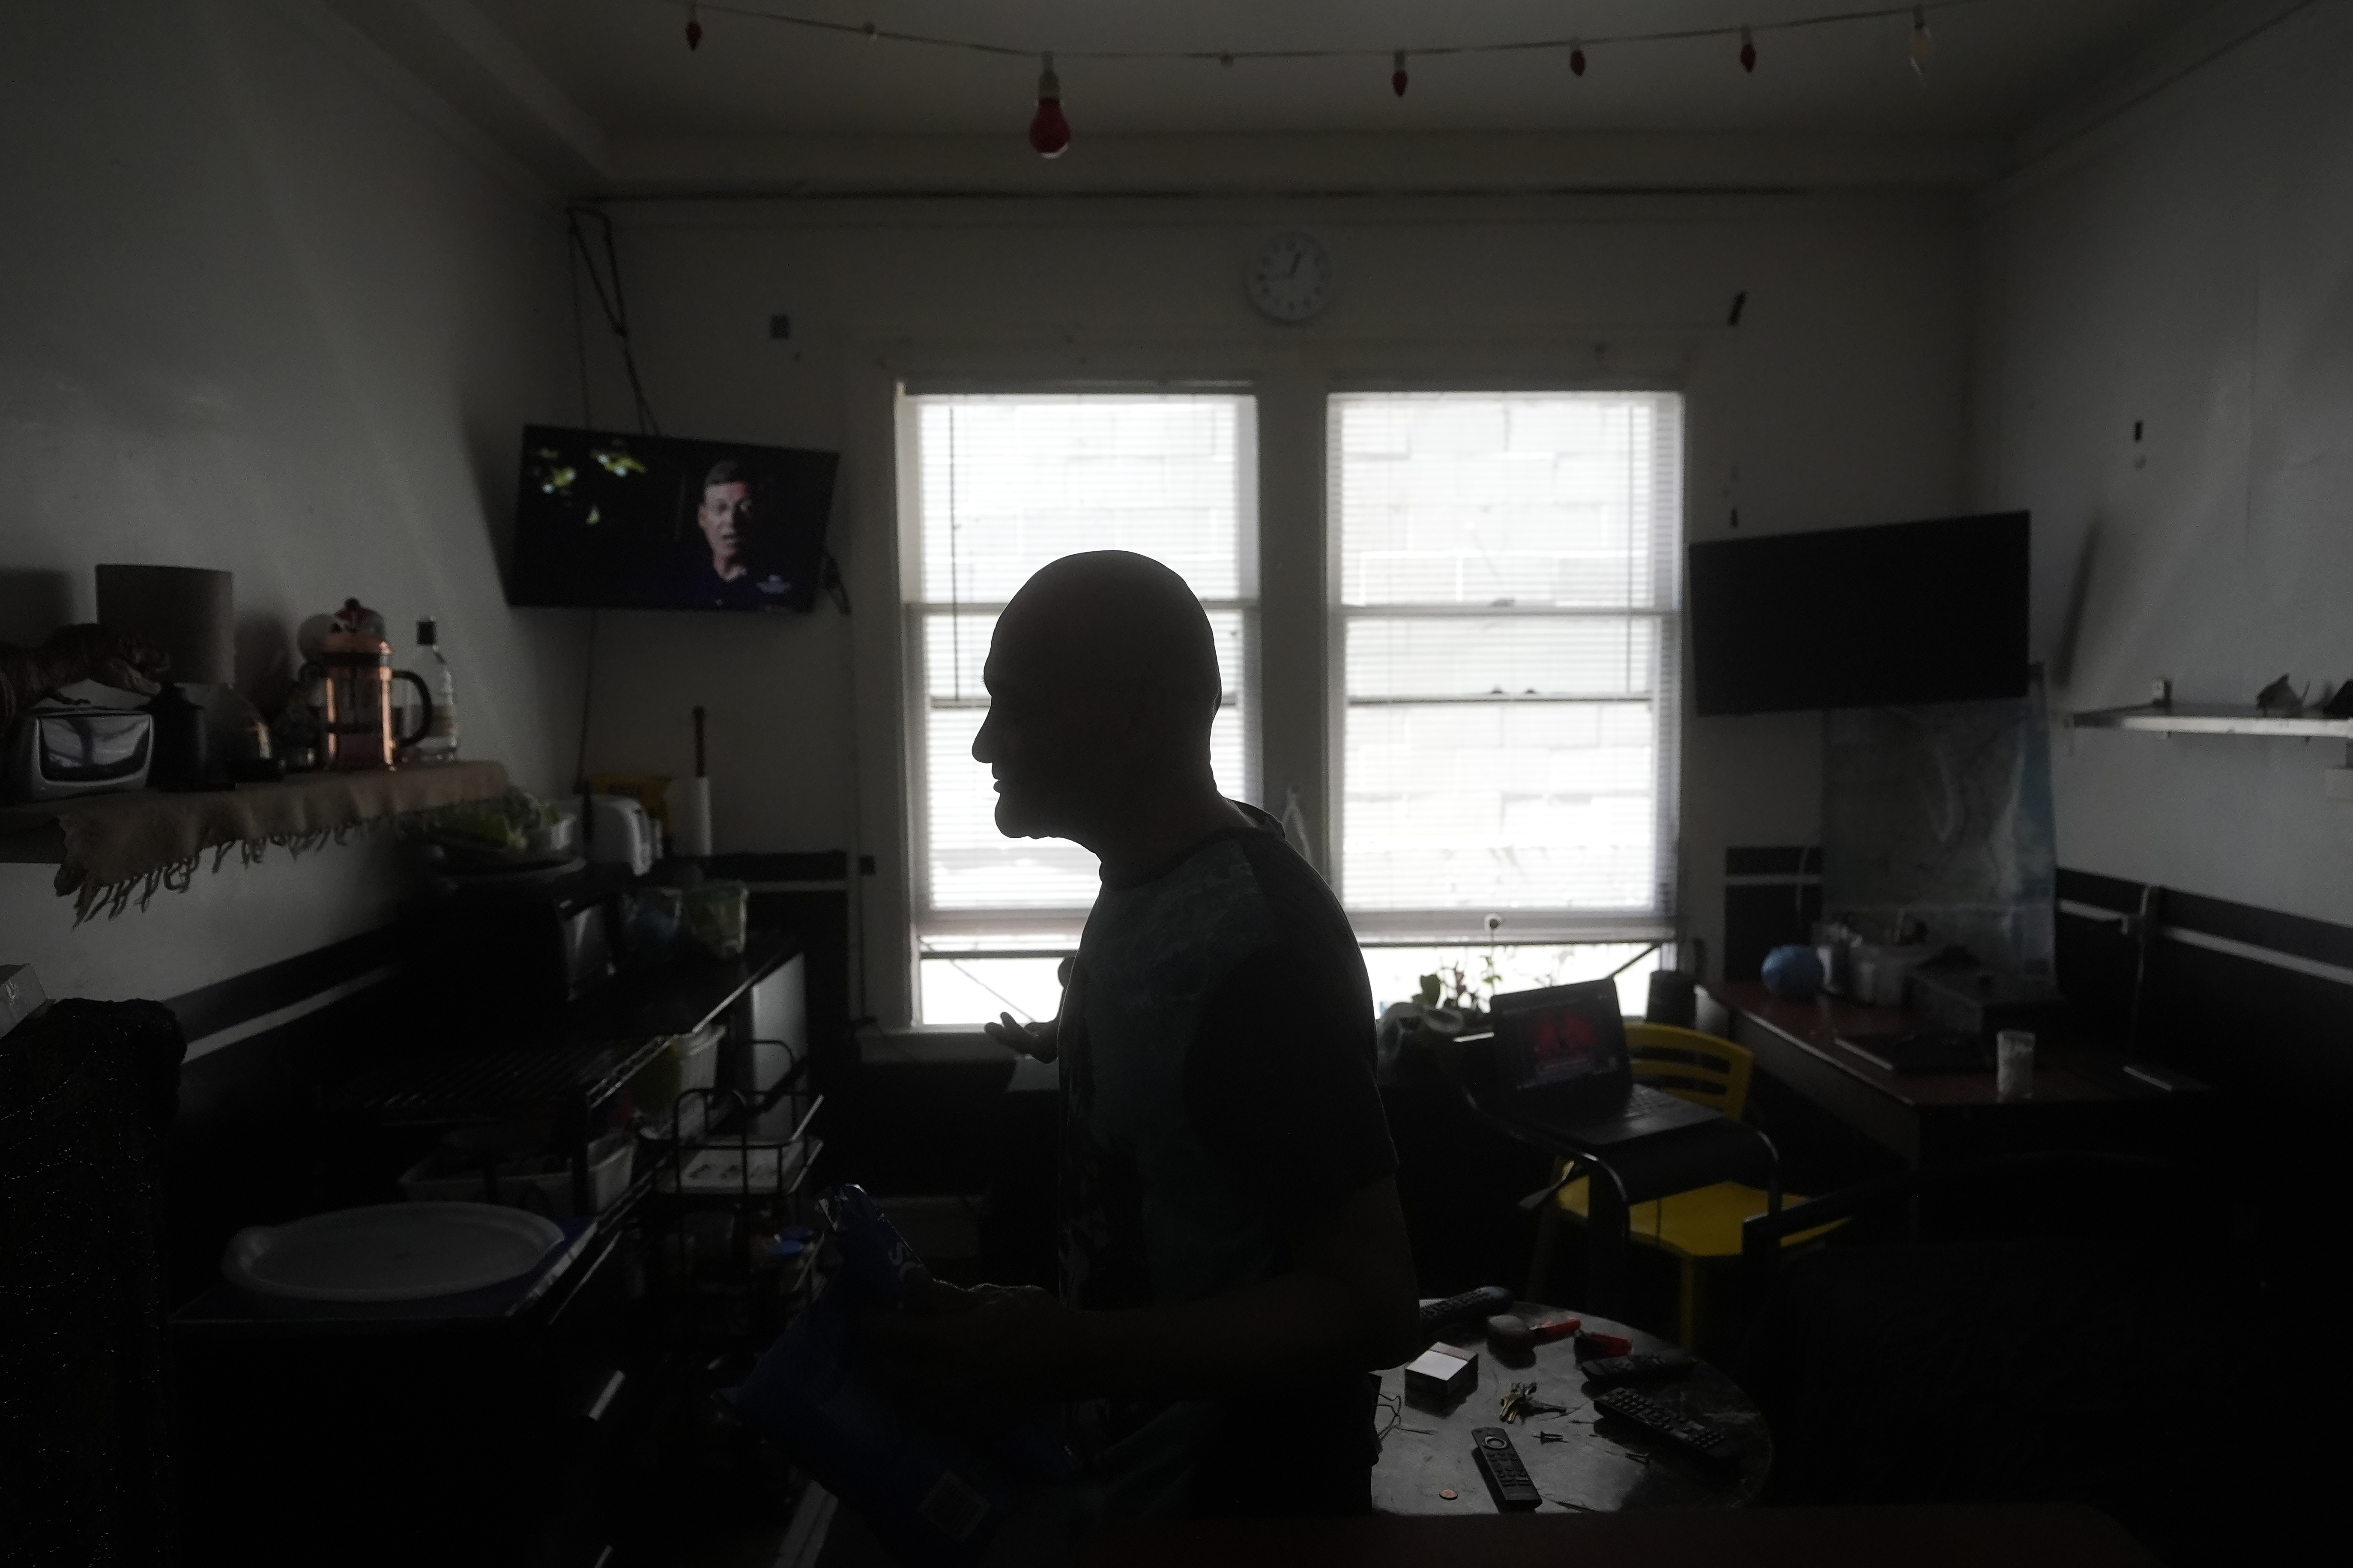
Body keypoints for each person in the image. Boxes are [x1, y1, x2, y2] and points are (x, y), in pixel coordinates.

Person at [865, 550, 1420, 1527]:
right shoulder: (1146, 882)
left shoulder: (1258, 948)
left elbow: (1371, 1303)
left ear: (1134, 716)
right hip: (1129, 1480)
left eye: (1017, 705)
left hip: (1242, 1513)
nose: (984, 743)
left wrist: (1070, 1348)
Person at [659, 458, 797, 609]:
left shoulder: (784, 589)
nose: (732, 520)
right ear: (702, 517)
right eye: (720, 508)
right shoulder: (675, 582)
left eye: (746, 508)